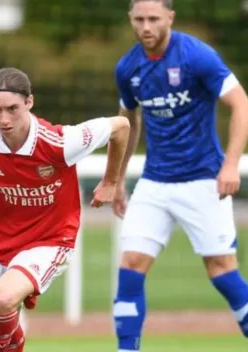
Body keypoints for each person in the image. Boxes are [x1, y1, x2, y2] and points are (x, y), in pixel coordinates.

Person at [0, 67, 130, 352]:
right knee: (2, 313)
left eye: (12, 108)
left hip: (51, 239)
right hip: (2, 241)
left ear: (29, 103)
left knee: (2, 298)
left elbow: (121, 127)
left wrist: (111, 181)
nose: (4, 119)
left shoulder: (59, 142)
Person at [112, 1, 248, 351]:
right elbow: (127, 122)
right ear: (130, 20)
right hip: (154, 182)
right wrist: (116, 179)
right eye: (139, 19)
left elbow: (241, 103)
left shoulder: (196, 56)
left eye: (154, 18)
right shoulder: (128, 68)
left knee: (221, 271)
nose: (146, 26)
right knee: (130, 264)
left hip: (204, 180)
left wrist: (230, 163)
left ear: (169, 18)